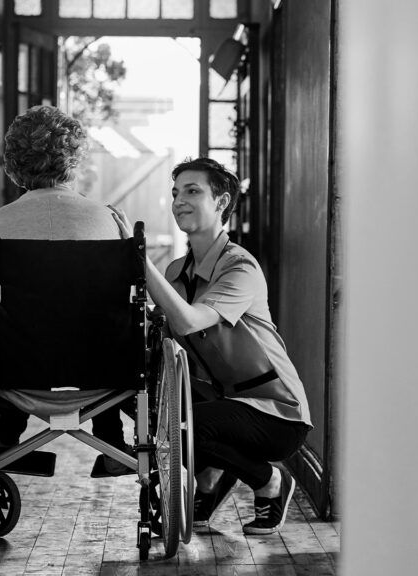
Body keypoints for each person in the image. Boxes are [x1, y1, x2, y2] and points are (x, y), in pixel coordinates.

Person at [111, 158, 312, 535]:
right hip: (224, 401)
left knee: (185, 423)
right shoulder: (175, 272)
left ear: (221, 202)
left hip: (276, 412)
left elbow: (187, 320)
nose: (179, 201)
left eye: (192, 191)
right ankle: (208, 480)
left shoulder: (241, 268)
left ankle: (270, 482)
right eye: (175, 193)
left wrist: (137, 256)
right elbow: (167, 340)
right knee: (144, 400)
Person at [0, 105, 133, 477]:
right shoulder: (108, 219)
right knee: (104, 317)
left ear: (15, 162)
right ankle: (112, 439)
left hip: (21, 365)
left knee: (8, 321)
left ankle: (6, 438)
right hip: (101, 364)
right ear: (76, 159)